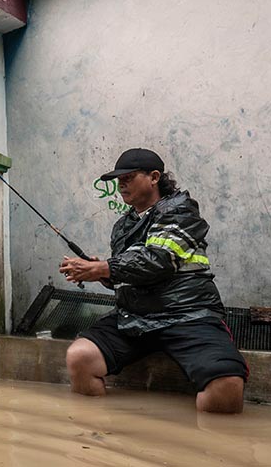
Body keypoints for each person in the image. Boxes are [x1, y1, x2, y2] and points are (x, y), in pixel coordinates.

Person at [59, 148, 248, 413]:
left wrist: (104, 268)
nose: (121, 184)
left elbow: (158, 261)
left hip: (188, 315)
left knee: (226, 385)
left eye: (129, 177)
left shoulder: (181, 212)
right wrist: (99, 273)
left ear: (154, 177)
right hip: (134, 318)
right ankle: (100, 439)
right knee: (79, 358)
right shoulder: (123, 226)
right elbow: (130, 274)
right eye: (118, 179)